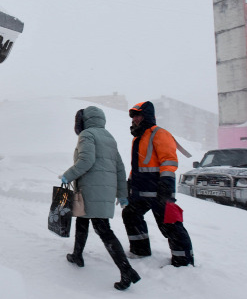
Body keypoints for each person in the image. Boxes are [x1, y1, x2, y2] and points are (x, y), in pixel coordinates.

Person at [60, 106, 141, 291]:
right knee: (83, 220)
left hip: (91, 189)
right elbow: (120, 167)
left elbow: (86, 161)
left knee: (103, 229)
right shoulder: (109, 137)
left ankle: (126, 270)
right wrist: (122, 194)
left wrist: (67, 175)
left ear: (84, 120)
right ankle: (77, 255)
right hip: (102, 190)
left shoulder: (87, 135)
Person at [121, 101, 194, 267]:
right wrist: (129, 184)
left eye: (138, 115)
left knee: (170, 224)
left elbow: (168, 161)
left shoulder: (159, 134)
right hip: (141, 192)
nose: (135, 119)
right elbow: (138, 166)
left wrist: (166, 187)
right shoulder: (138, 138)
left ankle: (183, 261)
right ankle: (140, 251)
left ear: (146, 116)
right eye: (133, 116)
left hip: (159, 191)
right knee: (130, 215)